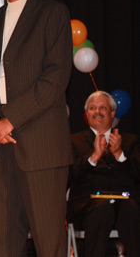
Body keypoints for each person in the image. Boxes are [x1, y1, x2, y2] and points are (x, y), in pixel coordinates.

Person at [0, 0, 73, 256]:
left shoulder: (52, 12)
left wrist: (10, 119)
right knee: (1, 241)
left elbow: (55, 77)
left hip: (41, 142)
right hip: (0, 144)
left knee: (48, 240)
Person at [67, 91, 140, 256]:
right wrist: (93, 157)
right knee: (102, 209)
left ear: (112, 113)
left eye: (102, 108)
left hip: (125, 202)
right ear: (86, 114)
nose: (97, 112)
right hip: (87, 205)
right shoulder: (73, 141)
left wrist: (120, 154)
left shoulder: (130, 140)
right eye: (92, 108)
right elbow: (68, 177)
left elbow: (137, 175)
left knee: (132, 210)